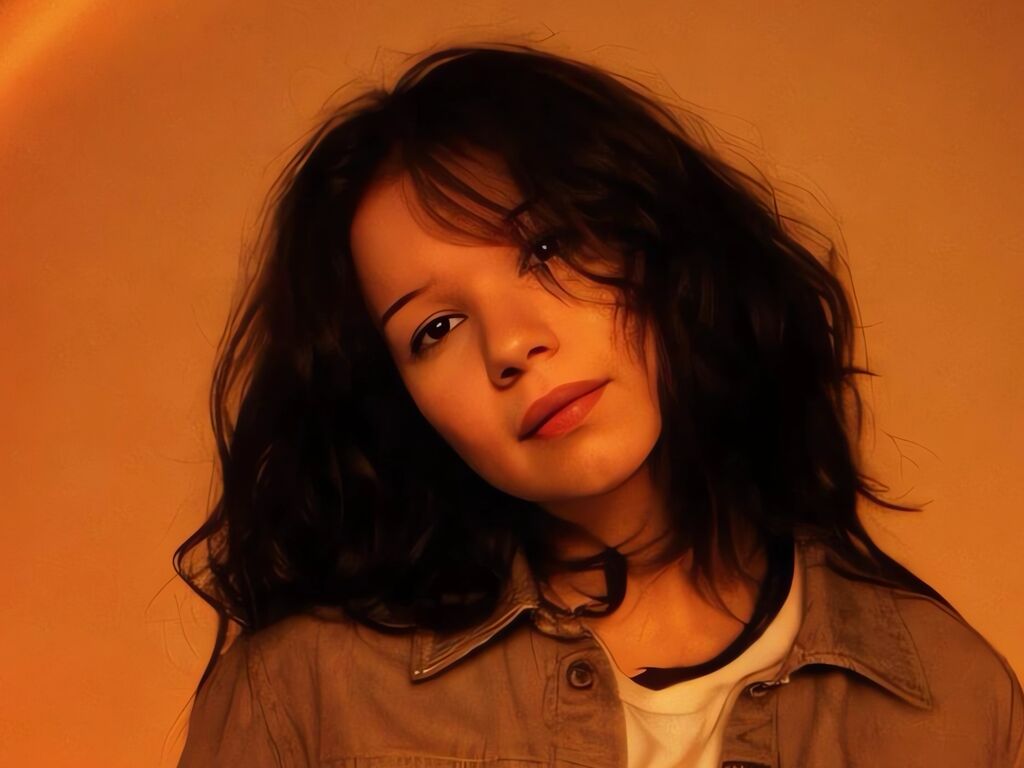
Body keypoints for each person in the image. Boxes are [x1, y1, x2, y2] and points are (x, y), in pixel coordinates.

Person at [175, 43, 1023, 767]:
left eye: (548, 247)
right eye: (435, 328)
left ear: (660, 243)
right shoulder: (304, 691)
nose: (512, 345)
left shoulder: (953, 703)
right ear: (398, 402)